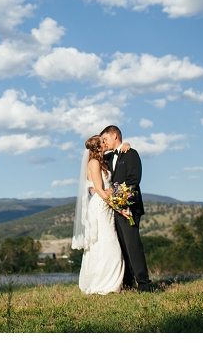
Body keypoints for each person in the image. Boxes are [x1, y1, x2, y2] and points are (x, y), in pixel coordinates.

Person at [100, 125, 152, 292]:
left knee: (133, 246)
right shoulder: (109, 157)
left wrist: (118, 197)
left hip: (129, 206)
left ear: (115, 136)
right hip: (115, 208)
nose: (104, 143)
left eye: (105, 139)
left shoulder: (131, 154)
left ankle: (144, 284)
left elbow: (133, 179)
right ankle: (128, 283)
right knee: (121, 247)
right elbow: (94, 158)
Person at [72, 135, 125, 295]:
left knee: (103, 242)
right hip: (101, 206)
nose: (106, 143)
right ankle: (104, 283)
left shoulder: (102, 161)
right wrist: (118, 206)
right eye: (103, 142)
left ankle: (105, 281)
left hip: (105, 205)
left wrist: (125, 144)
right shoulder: (94, 163)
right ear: (98, 148)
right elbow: (100, 190)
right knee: (108, 243)